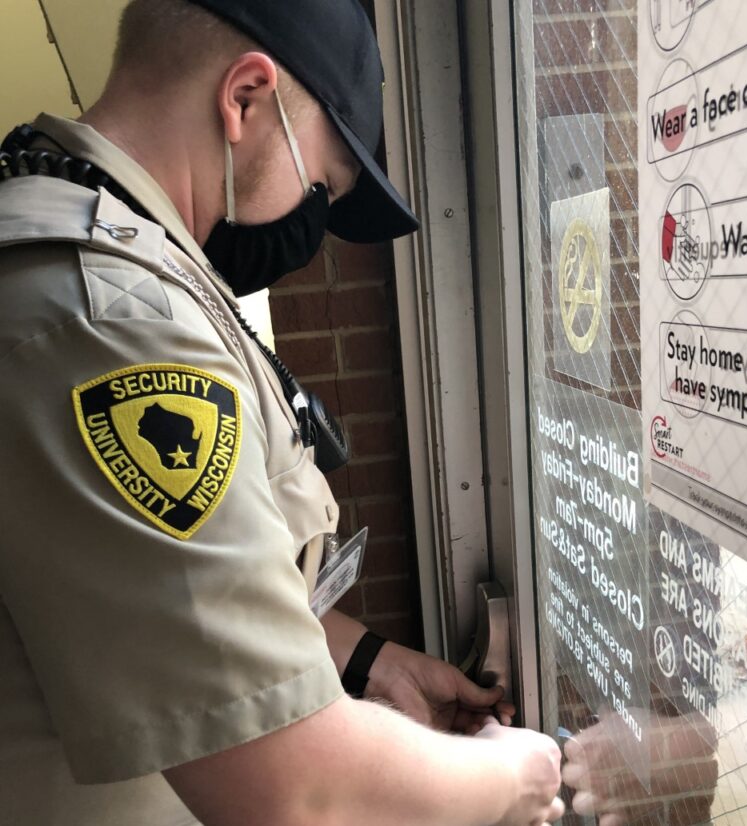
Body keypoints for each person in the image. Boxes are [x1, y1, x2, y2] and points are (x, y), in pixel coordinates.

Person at [0, 1, 565, 824]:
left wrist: (367, 661)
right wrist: (515, 778)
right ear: (244, 99)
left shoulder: (77, 222)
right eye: (321, 184)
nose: (314, 223)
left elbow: (161, 598)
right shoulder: (110, 328)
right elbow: (297, 794)